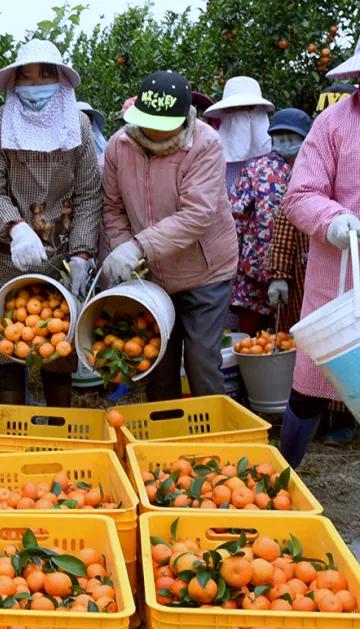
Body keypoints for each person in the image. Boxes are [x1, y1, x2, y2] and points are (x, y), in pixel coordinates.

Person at [0, 39, 102, 407]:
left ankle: (58, 425)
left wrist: (81, 251)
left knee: (58, 345)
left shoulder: (75, 126)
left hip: (60, 252)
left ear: (60, 81)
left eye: (45, 76)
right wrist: (15, 227)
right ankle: (13, 427)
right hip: (8, 254)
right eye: (27, 78)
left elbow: (90, 193)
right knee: (10, 343)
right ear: (14, 83)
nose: (36, 86)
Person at [101, 71, 238, 401]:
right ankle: (166, 440)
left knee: (201, 359)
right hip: (153, 275)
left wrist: (138, 246)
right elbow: (112, 206)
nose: (153, 132)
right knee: (157, 359)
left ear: (182, 119)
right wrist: (121, 247)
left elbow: (197, 215)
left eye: (162, 125)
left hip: (206, 271)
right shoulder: (119, 147)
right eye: (147, 122)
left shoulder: (204, 144)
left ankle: (215, 439)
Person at [278, 41, 360, 467]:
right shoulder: (333, 124)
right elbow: (301, 194)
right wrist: (333, 220)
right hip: (339, 277)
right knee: (311, 382)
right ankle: (285, 471)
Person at [228, 108, 312, 334]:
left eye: (293, 137)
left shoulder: (316, 168)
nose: (286, 141)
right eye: (280, 136)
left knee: (298, 333)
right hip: (255, 271)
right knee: (255, 340)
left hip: (304, 270)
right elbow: (236, 217)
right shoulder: (255, 170)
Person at [203, 76, 275, 191]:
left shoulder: (277, 160)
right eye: (233, 108)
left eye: (248, 107)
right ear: (225, 111)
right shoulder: (210, 154)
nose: (241, 114)